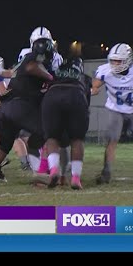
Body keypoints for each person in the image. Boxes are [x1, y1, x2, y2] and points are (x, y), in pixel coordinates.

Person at [0, 31, 55, 185]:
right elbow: (30, 67)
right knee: (49, 134)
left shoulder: (23, 60)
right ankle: (42, 173)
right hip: (20, 106)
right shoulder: (34, 58)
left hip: (7, 107)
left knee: (4, 147)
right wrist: (50, 78)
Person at [92, 43, 133, 183]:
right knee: (111, 141)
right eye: (113, 60)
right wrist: (92, 91)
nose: (115, 64)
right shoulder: (105, 71)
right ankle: (106, 173)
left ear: (128, 60)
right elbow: (95, 87)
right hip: (115, 110)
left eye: (118, 61)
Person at [41, 56, 90, 190]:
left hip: (53, 95)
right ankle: (75, 178)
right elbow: (86, 102)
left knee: (52, 137)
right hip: (76, 95)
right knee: (77, 139)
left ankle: (54, 169)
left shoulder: (53, 74)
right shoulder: (84, 77)